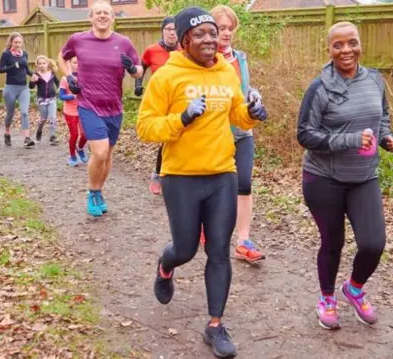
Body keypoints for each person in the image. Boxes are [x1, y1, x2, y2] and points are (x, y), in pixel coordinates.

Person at [136, 7, 268, 358]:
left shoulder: (226, 71)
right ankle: (166, 267)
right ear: (184, 41)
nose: (211, 39)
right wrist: (181, 118)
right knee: (186, 249)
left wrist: (252, 114)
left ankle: (215, 325)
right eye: (201, 34)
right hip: (181, 177)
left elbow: (237, 114)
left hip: (222, 173)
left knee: (219, 251)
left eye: (214, 32)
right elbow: (145, 127)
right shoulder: (167, 76)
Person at [296, 21, 393, 330]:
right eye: (338, 45)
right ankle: (327, 298)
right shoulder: (320, 87)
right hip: (323, 178)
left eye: (351, 43)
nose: (346, 50)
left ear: (360, 44)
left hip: (363, 177)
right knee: (333, 242)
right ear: (329, 50)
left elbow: (381, 118)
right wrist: (351, 140)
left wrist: (388, 138)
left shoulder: (375, 80)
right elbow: (305, 134)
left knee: (373, 243)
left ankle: (353, 288)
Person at [58, 0, 143, 217]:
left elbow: (139, 71)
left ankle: (99, 190)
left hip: (114, 106)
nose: (103, 16)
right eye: (98, 13)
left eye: (107, 13)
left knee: (108, 155)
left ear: (113, 18)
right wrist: (68, 76)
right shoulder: (78, 39)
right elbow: (62, 57)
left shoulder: (123, 42)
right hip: (88, 104)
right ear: (91, 17)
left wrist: (132, 69)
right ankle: (93, 192)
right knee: (100, 151)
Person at [205, 5, 264, 263]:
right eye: (221, 28)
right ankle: (205, 225)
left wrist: (254, 96)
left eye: (230, 28)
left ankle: (243, 240)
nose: (226, 33)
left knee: (244, 183)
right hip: (214, 132)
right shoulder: (203, 61)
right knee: (212, 184)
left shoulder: (240, 58)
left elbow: (244, 88)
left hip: (242, 130)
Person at [134, 16, 179, 196]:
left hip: (179, 99)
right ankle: (158, 175)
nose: (172, 32)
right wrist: (138, 85)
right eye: (169, 29)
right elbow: (141, 68)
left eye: (175, 29)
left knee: (176, 137)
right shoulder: (152, 50)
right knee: (166, 138)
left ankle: (174, 174)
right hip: (160, 100)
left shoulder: (184, 50)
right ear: (162, 30)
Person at [0, 32, 35, 147]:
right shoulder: (6, 54)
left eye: (20, 42)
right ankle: (7, 133)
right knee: (10, 113)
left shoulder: (24, 54)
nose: (18, 44)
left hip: (23, 87)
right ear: (11, 42)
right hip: (10, 88)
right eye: (16, 42)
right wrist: (12, 66)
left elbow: (26, 69)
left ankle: (27, 138)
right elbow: (0, 69)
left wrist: (33, 75)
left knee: (24, 112)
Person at [58, 57, 88, 167]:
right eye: (75, 62)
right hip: (70, 111)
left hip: (83, 110)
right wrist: (73, 96)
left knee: (85, 134)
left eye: (80, 62)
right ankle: (72, 155)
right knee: (74, 135)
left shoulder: (86, 77)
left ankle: (79, 148)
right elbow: (61, 96)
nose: (78, 65)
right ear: (69, 64)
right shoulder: (65, 79)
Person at [29, 55, 60, 145]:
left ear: (47, 64)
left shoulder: (52, 73)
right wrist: (32, 81)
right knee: (43, 118)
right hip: (41, 99)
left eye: (44, 63)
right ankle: (39, 130)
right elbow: (31, 86)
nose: (42, 65)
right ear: (37, 65)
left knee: (52, 118)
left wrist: (59, 88)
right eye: (40, 64)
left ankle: (53, 137)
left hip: (52, 99)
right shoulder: (36, 75)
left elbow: (57, 82)